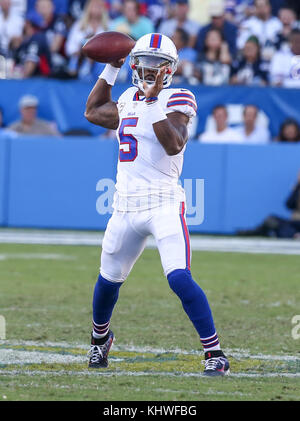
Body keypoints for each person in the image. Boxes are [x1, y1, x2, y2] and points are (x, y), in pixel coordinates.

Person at [84, 32, 230, 376]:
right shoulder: (126, 98)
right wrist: (110, 68)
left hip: (163, 202)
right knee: (108, 280)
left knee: (178, 277)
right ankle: (98, 341)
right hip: (124, 204)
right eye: (145, 62)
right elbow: (91, 111)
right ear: (134, 64)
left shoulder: (179, 96)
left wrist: (151, 104)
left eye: (158, 65)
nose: (150, 70)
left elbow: (174, 144)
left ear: (170, 70)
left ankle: (215, 354)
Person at [237, 170, 300, 238]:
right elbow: (289, 205)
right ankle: (260, 232)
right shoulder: (297, 188)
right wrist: (297, 187)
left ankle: (293, 235)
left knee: (281, 227)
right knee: (272, 220)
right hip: (294, 223)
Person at [10, 11, 52, 78]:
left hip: (37, 82)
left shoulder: (37, 39)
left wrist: (16, 77)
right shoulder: (26, 39)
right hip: (29, 81)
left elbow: (30, 66)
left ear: (28, 23)